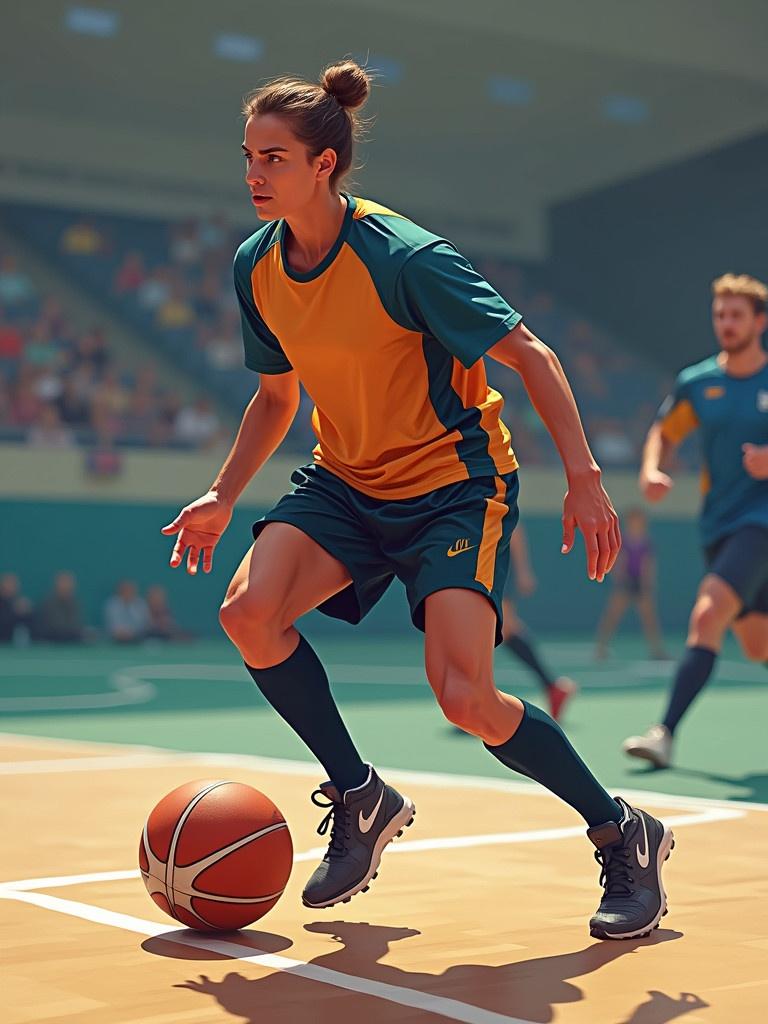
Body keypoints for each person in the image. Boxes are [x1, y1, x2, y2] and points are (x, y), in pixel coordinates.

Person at [162, 60, 672, 940]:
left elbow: (535, 359)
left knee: (466, 697)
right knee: (249, 612)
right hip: (346, 483)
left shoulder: (405, 256)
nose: (253, 173)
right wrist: (220, 492)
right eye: (248, 155)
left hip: (451, 485)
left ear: (324, 164)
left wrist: (585, 480)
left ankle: (623, 832)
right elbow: (277, 398)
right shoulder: (257, 265)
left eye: (274, 158)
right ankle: (360, 794)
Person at [624, 274, 768, 769]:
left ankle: (664, 732)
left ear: (759, 322)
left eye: (737, 315)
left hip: (762, 524)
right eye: (720, 315)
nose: (726, 324)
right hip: (719, 526)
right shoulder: (699, 382)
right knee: (757, 645)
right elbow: (664, 433)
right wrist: (651, 468)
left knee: (707, 616)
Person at [502, 523, 577, 720]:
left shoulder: (494, 493)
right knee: (502, 629)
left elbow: (513, 524)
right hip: (481, 560)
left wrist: (523, 570)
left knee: (500, 628)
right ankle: (553, 687)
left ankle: (473, 700)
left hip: (494, 563)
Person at [594, 507, 666, 661]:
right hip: (625, 583)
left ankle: (657, 651)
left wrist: (647, 584)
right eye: (633, 521)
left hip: (640, 584)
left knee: (649, 618)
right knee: (612, 616)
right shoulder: (622, 541)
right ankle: (600, 648)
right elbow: (617, 563)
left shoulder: (646, 542)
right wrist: (620, 579)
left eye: (639, 521)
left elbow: (649, 565)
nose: (636, 524)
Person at [34, 571, 86, 643]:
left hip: (72, 643)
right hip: (51, 643)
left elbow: (77, 625)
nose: (66, 587)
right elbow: (56, 628)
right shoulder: (48, 603)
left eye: (68, 585)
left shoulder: (75, 603)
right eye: (63, 584)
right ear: (56, 586)